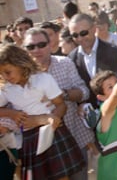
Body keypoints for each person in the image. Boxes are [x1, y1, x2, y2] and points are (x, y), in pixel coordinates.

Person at [0, 44, 85, 180]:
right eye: (1, 73)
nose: (5, 76)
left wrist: (51, 119)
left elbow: (61, 105)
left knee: (61, 176)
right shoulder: (6, 88)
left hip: (52, 134)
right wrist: (11, 113)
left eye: (8, 72)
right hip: (28, 139)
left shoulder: (43, 79)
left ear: (19, 63)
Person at [24, 28, 95, 180]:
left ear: (50, 45)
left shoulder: (65, 63)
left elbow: (84, 91)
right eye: (31, 47)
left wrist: (61, 95)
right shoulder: (20, 75)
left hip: (75, 138)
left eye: (41, 44)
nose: (36, 50)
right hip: (42, 148)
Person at [68, 13, 117, 109]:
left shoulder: (114, 52)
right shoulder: (71, 58)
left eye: (83, 33)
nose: (80, 38)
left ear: (94, 28)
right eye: (75, 35)